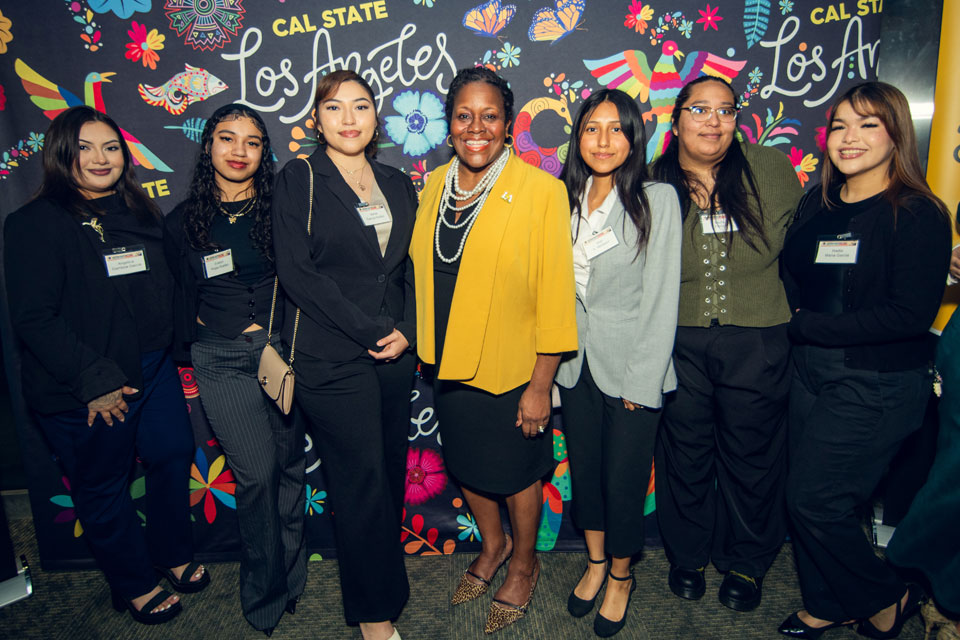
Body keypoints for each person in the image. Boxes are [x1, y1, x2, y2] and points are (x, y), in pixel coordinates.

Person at [3, 106, 208, 625]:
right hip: (86, 383)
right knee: (103, 482)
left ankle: (170, 550)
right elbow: (34, 318)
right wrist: (94, 382)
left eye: (111, 147)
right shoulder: (33, 223)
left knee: (172, 450)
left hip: (152, 366)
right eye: (86, 147)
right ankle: (133, 582)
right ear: (60, 155)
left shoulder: (137, 210)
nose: (100, 158)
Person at [778, 81, 951, 639]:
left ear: (896, 132)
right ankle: (828, 602)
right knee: (813, 496)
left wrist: (806, 325)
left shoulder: (918, 213)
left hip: (875, 380)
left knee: (815, 499)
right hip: (809, 372)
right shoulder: (818, 200)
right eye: (840, 126)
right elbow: (794, 274)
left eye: (868, 124)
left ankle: (886, 594)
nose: (849, 138)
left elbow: (907, 314)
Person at [409, 67, 578, 635]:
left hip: (511, 369)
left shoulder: (541, 190)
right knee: (468, 466)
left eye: (489, 116)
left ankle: (524, 566)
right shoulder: (433, 185)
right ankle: (494, 546)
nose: (475, 127)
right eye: (464, 115)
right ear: (449, 125)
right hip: (449, 362)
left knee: (513, 475)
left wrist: (539, 385)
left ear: (507, 125)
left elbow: (556, 296)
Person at [272, 70, 417, 640]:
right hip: (331, 357)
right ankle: (373, 615)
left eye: (361, 107)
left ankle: (387, 586)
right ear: (316, 119)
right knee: (358, 486)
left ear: (377, 118)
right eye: (335, 108)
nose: (350, 118)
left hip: (394, 352)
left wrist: (406, 329)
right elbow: (299, 274)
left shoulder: (397, 182)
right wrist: (369, 329)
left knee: (386, 478)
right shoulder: (299, 178)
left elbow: (409, 272)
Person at [650, 76, 802, 612]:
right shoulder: (653, 182)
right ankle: (687, 555)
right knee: (685, 452)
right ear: (676, 120)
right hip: (679, 341)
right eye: (699, 110)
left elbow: (800, 246)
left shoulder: (770, 170)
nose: (713, 121)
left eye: (725, 110)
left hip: (758, 336)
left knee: (752, 455)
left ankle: (747, 560)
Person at [164, 103, 305, 637]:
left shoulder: (283, 210)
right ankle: (263, 591)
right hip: (220, 360)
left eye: (251, 141)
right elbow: (173, 293)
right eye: (227, 138)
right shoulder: (183, 221)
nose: (238, 151)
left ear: (264, 152)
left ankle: (292, 577)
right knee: (258, 475)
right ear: (208, 147)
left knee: (291, 469)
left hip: (283, 353)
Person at [554, 89, 681, 637]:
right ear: (577, 136)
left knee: (625, 480)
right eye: (591, 128)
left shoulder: (657, 200)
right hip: (574, 365)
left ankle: (623, 577)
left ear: (634, 137)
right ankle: (597, 562)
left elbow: (661, 300)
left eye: (616, 128)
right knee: (586, 473)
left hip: (632, 367)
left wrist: (643, 381)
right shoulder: (560, 198)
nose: (602, 140)